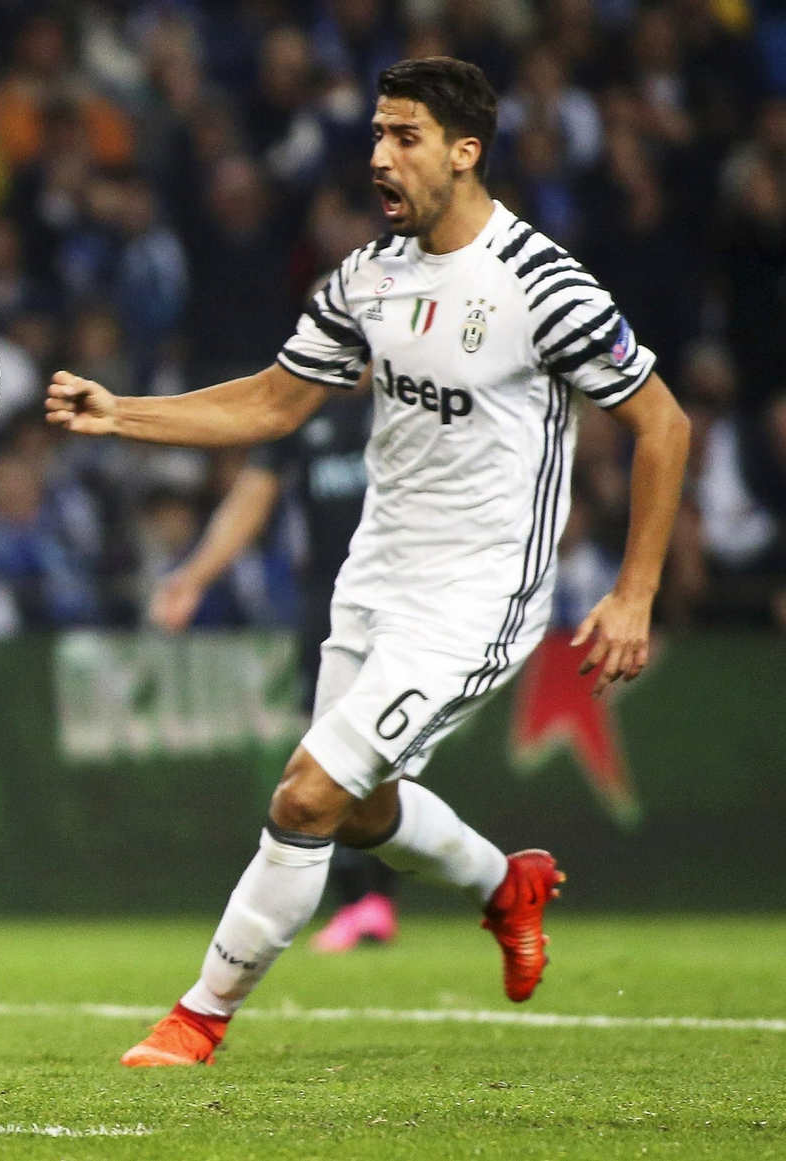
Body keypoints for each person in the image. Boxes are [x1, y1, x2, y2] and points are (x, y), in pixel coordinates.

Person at [45, 58, 690, 1067]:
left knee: (306, 795)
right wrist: (120, 412)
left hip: (479, 596)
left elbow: (664, 425)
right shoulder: (366, 278)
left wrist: (634, 592)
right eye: (378, 135)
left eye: (405, 137)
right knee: (358, 812)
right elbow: (272, 402)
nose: (380, 156)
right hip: (375, 575)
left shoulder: (542, 285)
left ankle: (197, 1017)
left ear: (464, 152)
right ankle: (504, 885)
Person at [150, 392, 402, 952]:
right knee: (331, 750)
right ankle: (359, 901)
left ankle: (384, 897)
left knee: (389, 748)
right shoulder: (303, 409)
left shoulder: (413, 395)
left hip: (407, 595)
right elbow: (252, 498)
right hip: (330, 605)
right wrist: (193, 577)